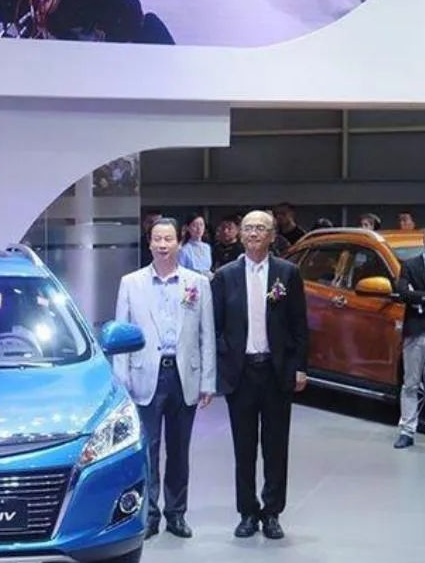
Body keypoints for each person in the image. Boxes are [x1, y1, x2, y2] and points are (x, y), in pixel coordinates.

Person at [114, 218, 215, 540]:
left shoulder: (197, 283)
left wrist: (208, 380)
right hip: (145, 376)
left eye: (168, 239)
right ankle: (149, 514)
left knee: (179, 450)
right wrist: (121, 380)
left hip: (184, 375)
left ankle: (176, 513)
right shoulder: (130, 283)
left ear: (178, 243)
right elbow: (121, 334)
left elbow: (207, 334)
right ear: (149, 243)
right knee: (148, 450)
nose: (162, 244)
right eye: (157, 239)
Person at [211, 211, 308, 540]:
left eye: (260, 229)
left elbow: (299, 325)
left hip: (276, 371)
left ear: (272, 236)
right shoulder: (225, 276)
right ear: (240, 235)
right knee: (244, 448)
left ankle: (272, 512)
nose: (254, 234)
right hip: (241, 373)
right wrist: (223, 362)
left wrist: (299, 366)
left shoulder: (287, 273)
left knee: (276, 447)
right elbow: (216, 326)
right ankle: (247, 512)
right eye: (249, 228)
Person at [393, 228, 425, 449]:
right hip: (417, 331)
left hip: (420, 317)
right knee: (411, 383)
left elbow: (413, 295)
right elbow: (404, 293)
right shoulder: (410, 265)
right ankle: (407, 430)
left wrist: (419, 297)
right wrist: (419, 297)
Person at [178, 212, 212, 277]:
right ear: (188, 228)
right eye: (194, 225)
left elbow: (207, 269)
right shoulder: (184, 250)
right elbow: (180, 272)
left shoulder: (207, 247)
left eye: (201, 225)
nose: (199, 228)